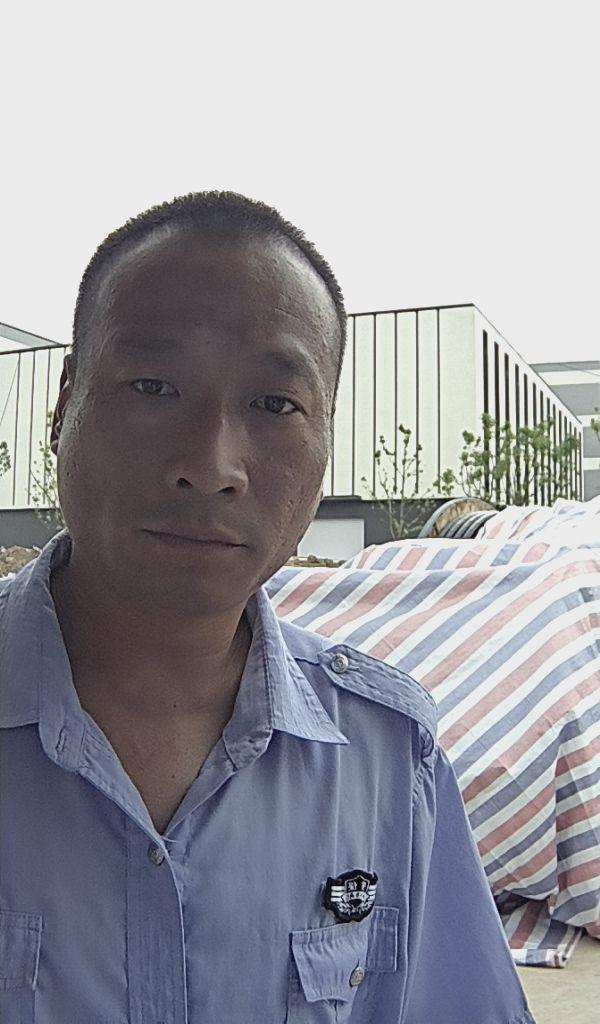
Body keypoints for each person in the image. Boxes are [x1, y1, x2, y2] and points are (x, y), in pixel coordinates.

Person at [0, 191, 536, 1023]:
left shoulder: (388, 761)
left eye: (275, 405)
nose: (212, 465)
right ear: (64, 403)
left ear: (325, 439)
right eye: (154, 385)